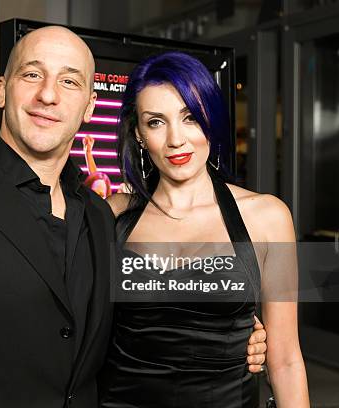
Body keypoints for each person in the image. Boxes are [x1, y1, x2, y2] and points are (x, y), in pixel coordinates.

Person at [0, 27, 267, 408]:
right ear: (1, 90)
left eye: (69, 81)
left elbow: (134, 331)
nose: (49, 94)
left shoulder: (101, 216)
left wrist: (228, 336)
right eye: (32, 75)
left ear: (88, 107)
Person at [100, 52, 309, 407]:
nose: (176, 139)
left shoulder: (267, 217)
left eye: (190, 117)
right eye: (156, 122)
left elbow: (286, 360)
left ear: (210, 119)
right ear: (138, 133)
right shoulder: (113, 216)